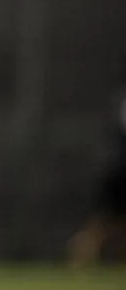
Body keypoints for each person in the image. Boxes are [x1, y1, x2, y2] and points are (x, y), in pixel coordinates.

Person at [68, 91, 126, 268]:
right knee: (100, 226)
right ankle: (77, 263)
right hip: (120, 174)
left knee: (102, 226)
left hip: (118, 172)